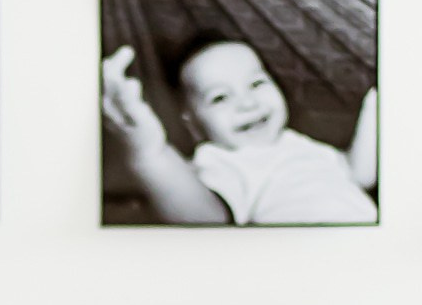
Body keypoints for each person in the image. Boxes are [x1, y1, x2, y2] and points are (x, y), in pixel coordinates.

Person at [102, 33, 376, 225]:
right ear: (194, 125)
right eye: (220, 97)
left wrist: (376, 104)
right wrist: (150, 154)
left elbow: (357, 175)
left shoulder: (297, 143)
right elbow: (204, 218)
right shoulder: (222, 161)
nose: (247, 102)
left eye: (256, 84)